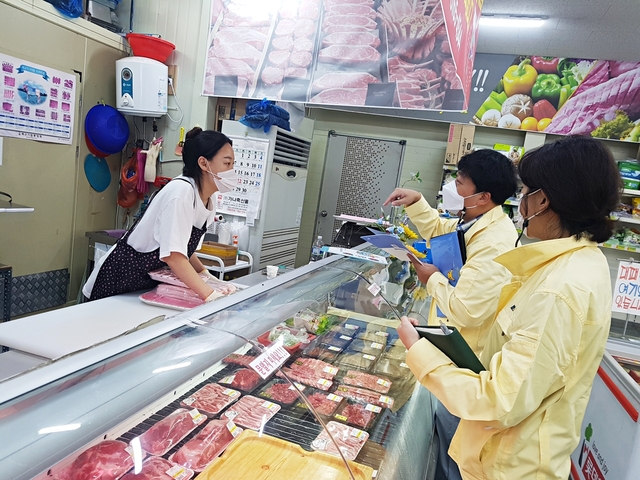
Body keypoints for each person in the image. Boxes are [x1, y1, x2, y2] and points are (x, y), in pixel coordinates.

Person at [397, 136, 621, 479]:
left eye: (526, 192)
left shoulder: (560, 288)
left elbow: (498, 401)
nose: (521, 203)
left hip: (509, 465)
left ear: (544, 200)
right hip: (505, 452)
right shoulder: (574, 264)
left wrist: (418, 351)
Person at [384, 149, 518, 480]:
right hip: (448, 346)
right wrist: (416, 202)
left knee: (455, 451)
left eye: (458, 183)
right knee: (445, 441)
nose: (451, 187)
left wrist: (432, 279)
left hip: (465, 360)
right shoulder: (475, 220)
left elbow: (468, 310)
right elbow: (444, 232)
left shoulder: (496, 241)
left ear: (483, 196)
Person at [83, 127, 237, 302]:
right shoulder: (181, 192)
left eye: (233, 164)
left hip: (142, 288)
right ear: (203, 163)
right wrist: (210, 295)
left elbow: (183, 246)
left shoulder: (209, 199)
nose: (232, 170)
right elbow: (174, 256)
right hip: (116, 281)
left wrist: (204, 273)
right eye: (227, 163)